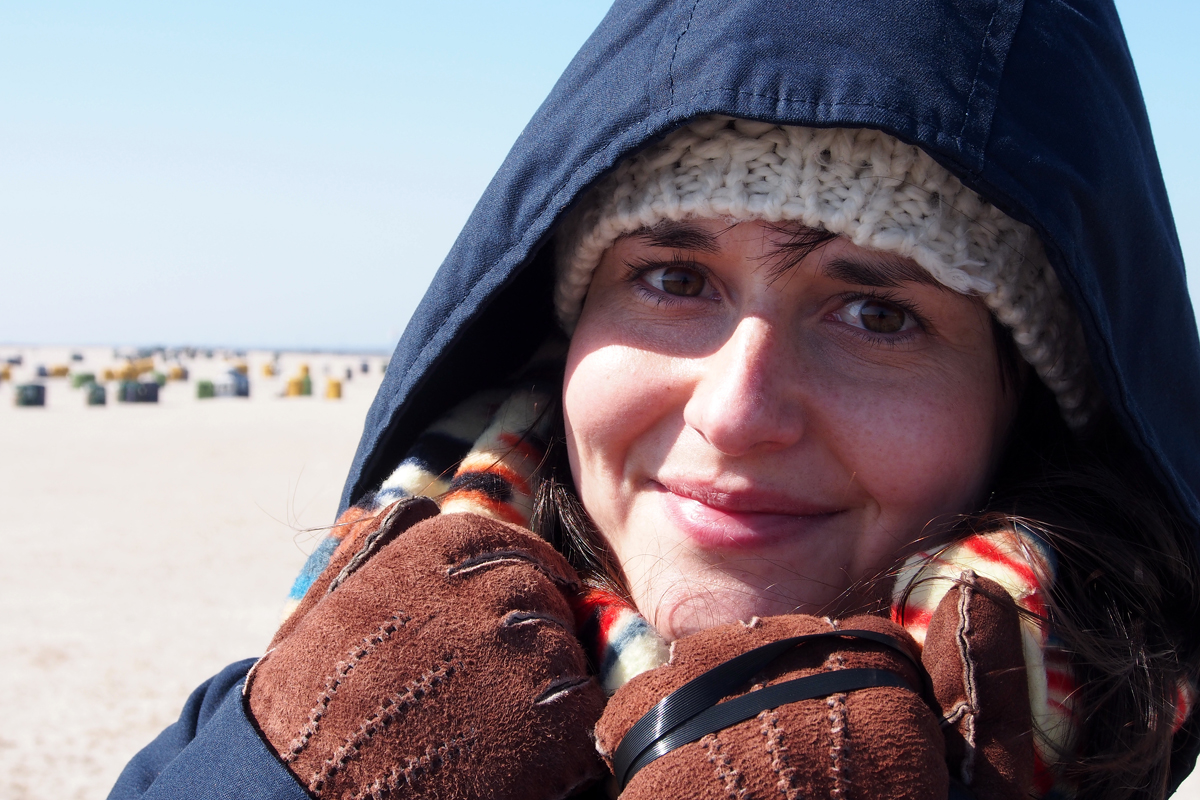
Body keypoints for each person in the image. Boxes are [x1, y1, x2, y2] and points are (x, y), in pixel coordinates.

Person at [108, 1, 1200, 798]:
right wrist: (281, 776)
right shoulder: (289, 714)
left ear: (1027, 403)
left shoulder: (1109, 745)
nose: (736, 409)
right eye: (676, 279)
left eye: (877, 313)